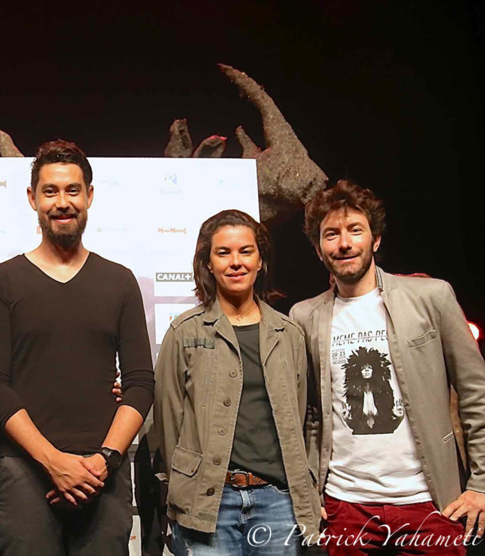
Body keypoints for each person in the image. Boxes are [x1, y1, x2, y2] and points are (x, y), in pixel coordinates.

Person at [290, 179, 485, 554]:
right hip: (344, 506)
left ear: (375, 239)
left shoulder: (432, 297)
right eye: (331, 234)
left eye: (355, 230)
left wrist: (480, 485)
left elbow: (476, 393)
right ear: (318, 249)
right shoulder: (304, 316)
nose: (344, 242)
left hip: (431, 502)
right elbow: (308, 414)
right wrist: (309, 490)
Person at [0, 139, 155, 555]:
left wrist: (104, 460)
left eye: (73, 190)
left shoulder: (120, 281)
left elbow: (139, 383)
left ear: (90, 196)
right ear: (32, 199)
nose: (62, 202)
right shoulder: (2, 282)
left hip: (105, 473)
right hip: (23, 471)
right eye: (50, 191)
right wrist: (52, 461)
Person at [154, 209, 320, 555]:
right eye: (223, 252)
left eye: (246, 251)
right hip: (208, 502)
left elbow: (305, 417)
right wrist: (184, 490)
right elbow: (168, 423)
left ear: (261, 261)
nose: (236, 262)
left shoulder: (288, 333)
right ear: (208, 263)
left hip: (277, 502)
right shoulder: (184, 332)